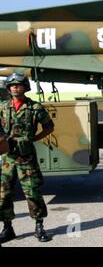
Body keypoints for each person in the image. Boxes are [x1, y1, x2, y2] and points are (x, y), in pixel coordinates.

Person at [0, 73, 55, 243]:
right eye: (12, 85)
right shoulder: (2, 107)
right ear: (8, 88)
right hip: (7, 157)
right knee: (3, 194)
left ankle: (39, 227)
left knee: (32, 192)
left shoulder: (35, 107)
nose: (16, 87)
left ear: (25, 87)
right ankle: (7, 228)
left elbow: (49, 127)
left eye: (19, 85)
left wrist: (33, 139)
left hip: (26, 156)